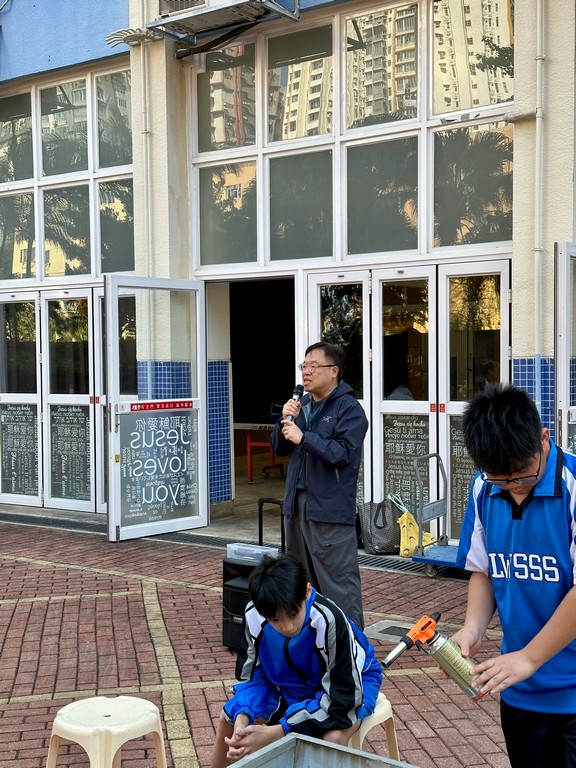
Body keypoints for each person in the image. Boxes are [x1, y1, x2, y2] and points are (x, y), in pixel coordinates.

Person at [453, 382, 576, 768]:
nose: (513, 489)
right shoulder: (482, 488)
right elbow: (484, 570)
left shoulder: (573, 486)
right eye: (499, 479)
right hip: (520, 689)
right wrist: (472, 629)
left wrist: (529, 657)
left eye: (522, 476)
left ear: (544, 438)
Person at [210, 553, 382, 767]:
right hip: (291, 683)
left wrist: (279, 730)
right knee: (228, 718)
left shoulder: (328, 620)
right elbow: (254, 679)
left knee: (331, 739)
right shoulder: (254, 614)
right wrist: (242, 718)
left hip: (351, 686)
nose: (287, 627)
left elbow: (342, 702)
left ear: (307, 591)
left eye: (293, 614)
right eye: (275, 619)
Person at [270, 341, 368, 628]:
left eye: (314, 366)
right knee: (300, 581)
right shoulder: (302, 406)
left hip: (329, 509)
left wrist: (305, 438)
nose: (307, 372)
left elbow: (343, 453)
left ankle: (352, 646)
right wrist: (284, 420)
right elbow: (279, 448)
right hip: (296, 505)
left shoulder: (349, 409)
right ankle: (312, 640)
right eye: (304, 366)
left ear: (334, 371)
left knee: (339, 585)